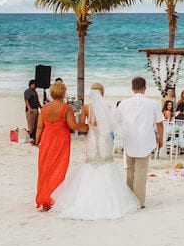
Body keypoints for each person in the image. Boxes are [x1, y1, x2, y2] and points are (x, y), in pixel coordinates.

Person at [50, 83, 140, 219]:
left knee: (91, 163)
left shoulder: (86, 108)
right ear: (102, 94)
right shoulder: (108, 107)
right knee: (106, 163)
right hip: (104, 140)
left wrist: (89, 127)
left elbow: (82, 126)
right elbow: (110, 126)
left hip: (92, 139)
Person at [34, 81, 89, 210]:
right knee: (59, 168)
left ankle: (44, 198)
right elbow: (73, 126)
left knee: (45, 169)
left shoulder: (45, 108)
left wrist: (37, 142)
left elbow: (39, 127)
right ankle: (53, 198)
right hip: (61, 140)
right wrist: (85, 126)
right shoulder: (66, 108)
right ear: (63, 93)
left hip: (47, 139)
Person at [116, 77, 164, 208]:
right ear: (145, 88)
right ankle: (138, 202)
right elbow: (159, 123)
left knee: (130, 170)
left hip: (129, 139)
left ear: (132, 88)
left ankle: (129, 198)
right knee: (141, 172)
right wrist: (160, 138)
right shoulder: (152, 103)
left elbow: (117, 121)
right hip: (145, 140)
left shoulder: (123, 103)